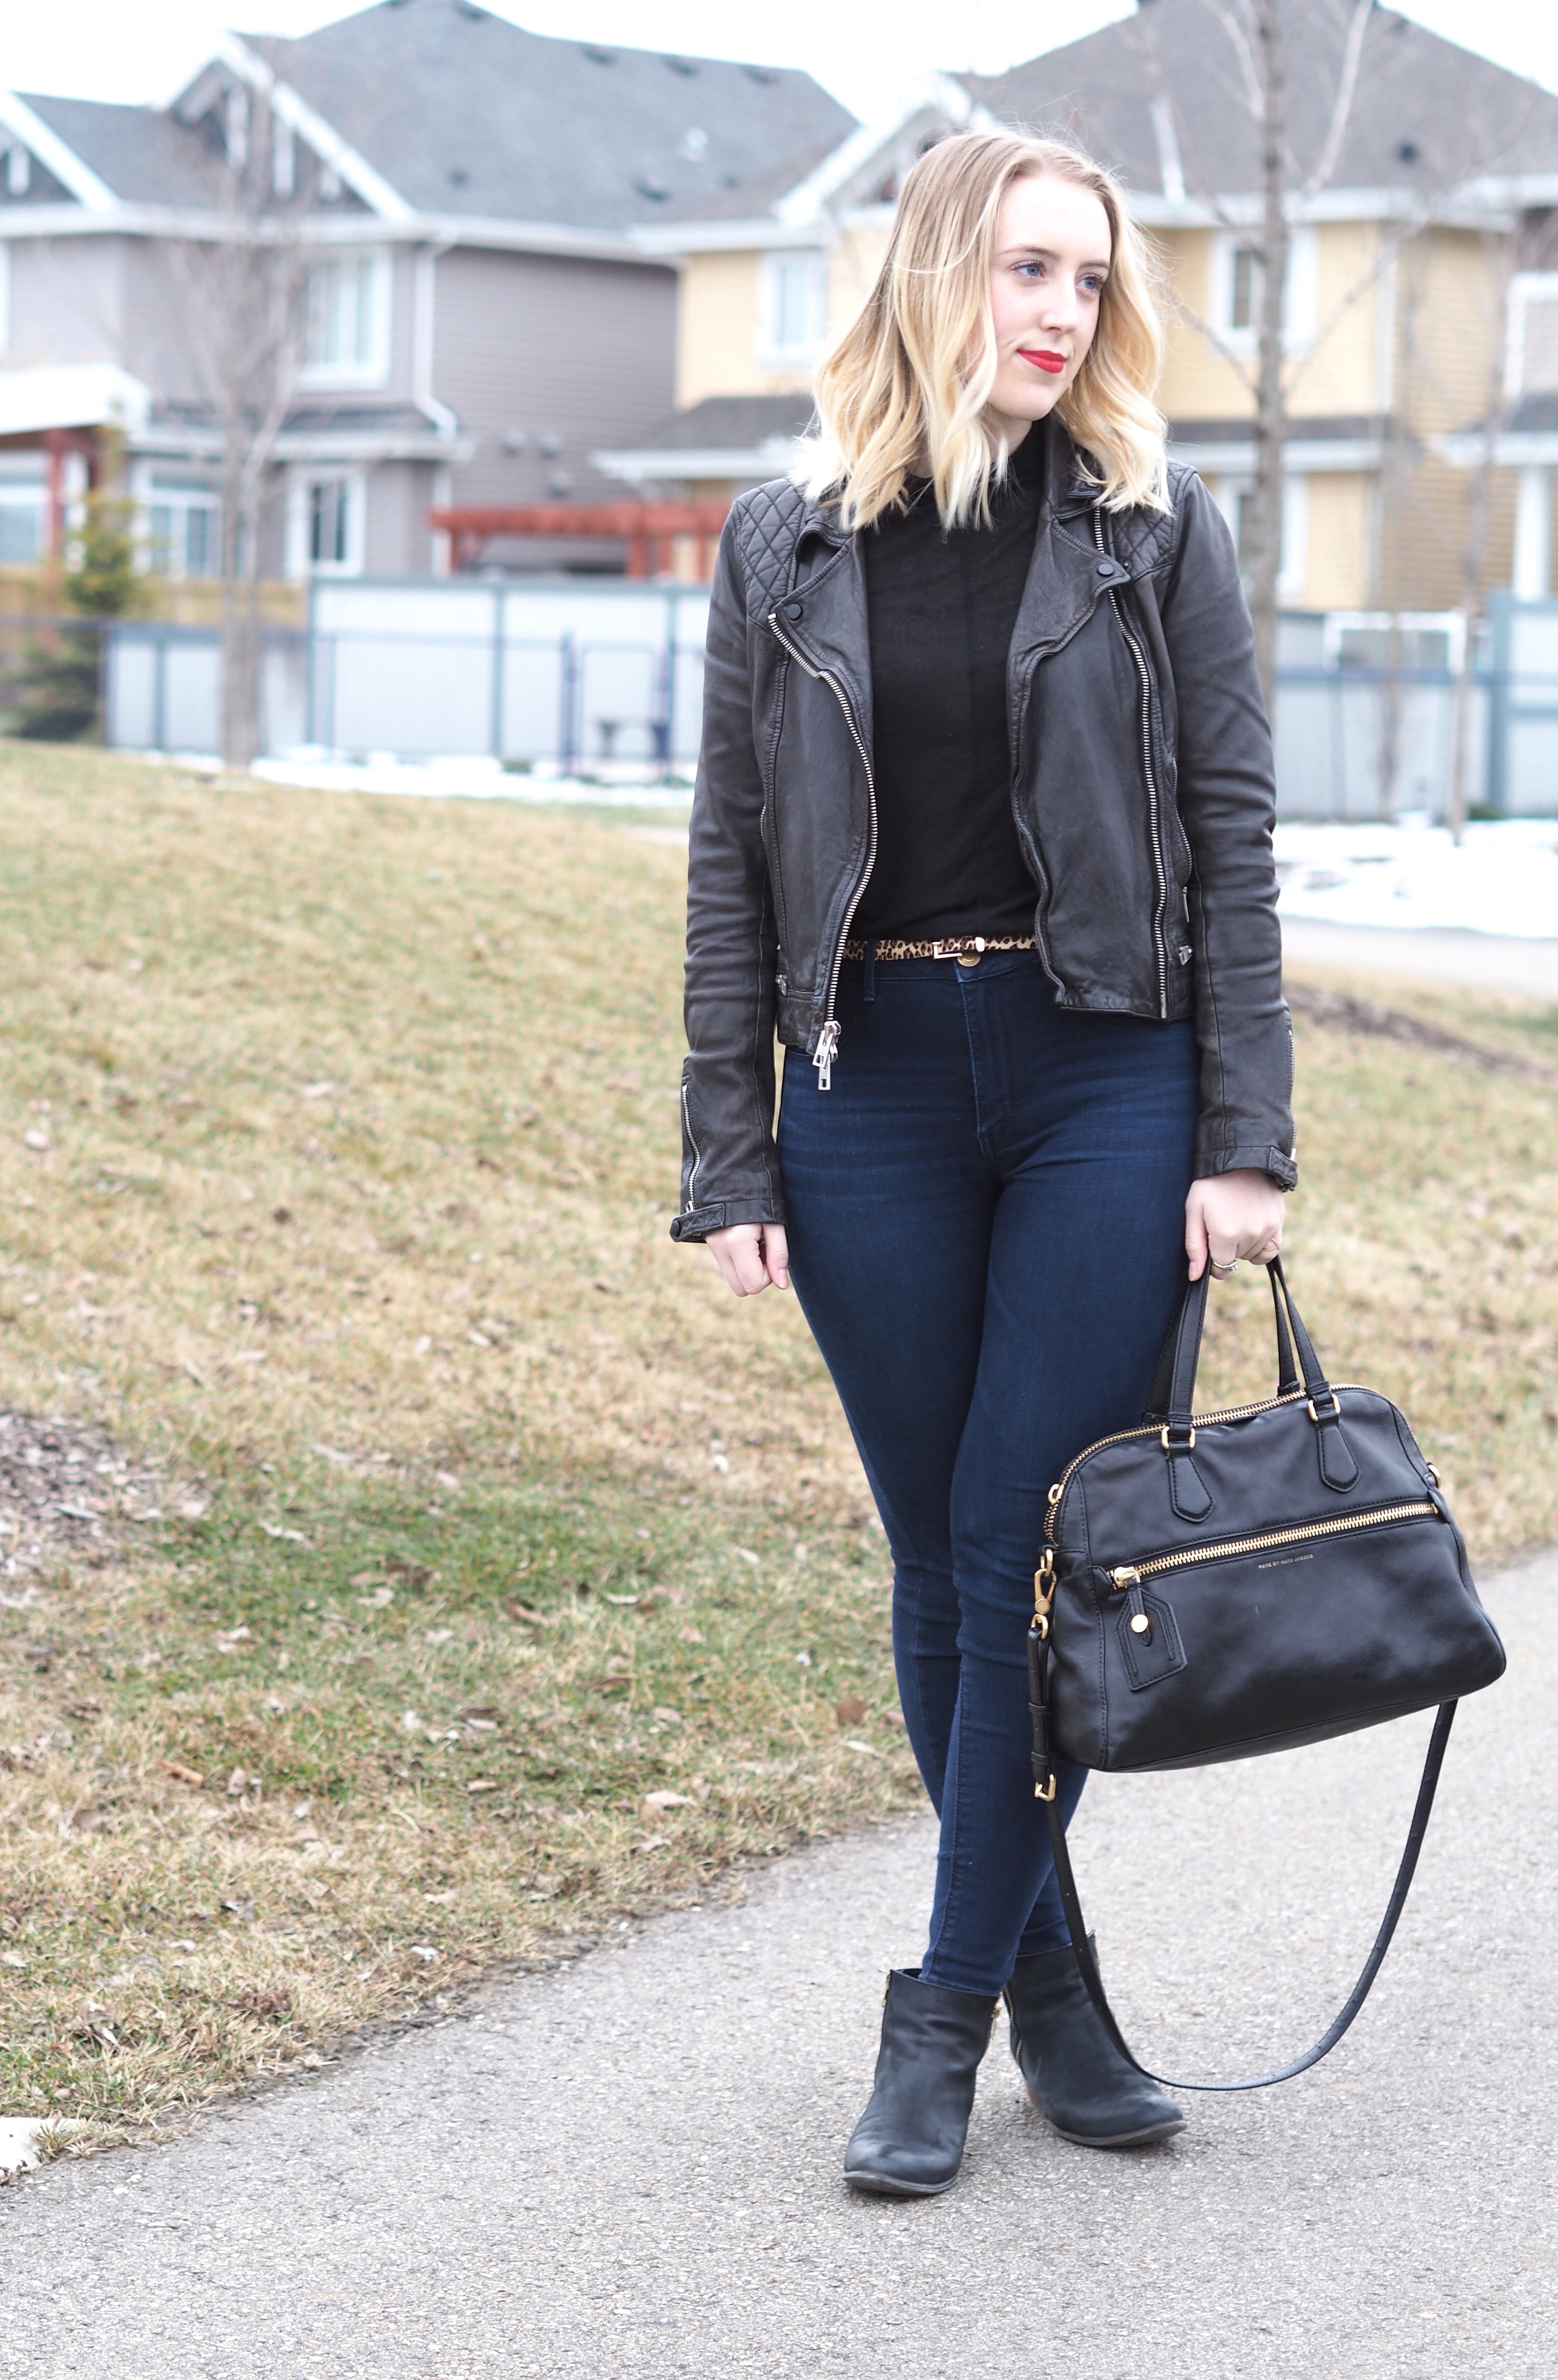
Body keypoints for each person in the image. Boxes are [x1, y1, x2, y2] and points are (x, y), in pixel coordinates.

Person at [669, 129, 1294, 2197]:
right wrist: (729, 1149)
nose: (1059, 313)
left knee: (1032, 1547)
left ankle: (932, 2018)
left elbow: (1233, 840)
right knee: (941, 1555)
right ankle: (1054, 1993)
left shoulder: (1152, 531)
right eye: (1028, 268)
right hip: (870, 1097)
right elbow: (733, 873)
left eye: (1090, 284)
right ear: (940, 271)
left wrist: (1246, 1140)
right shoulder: (781, 543)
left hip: (1102, 1065)